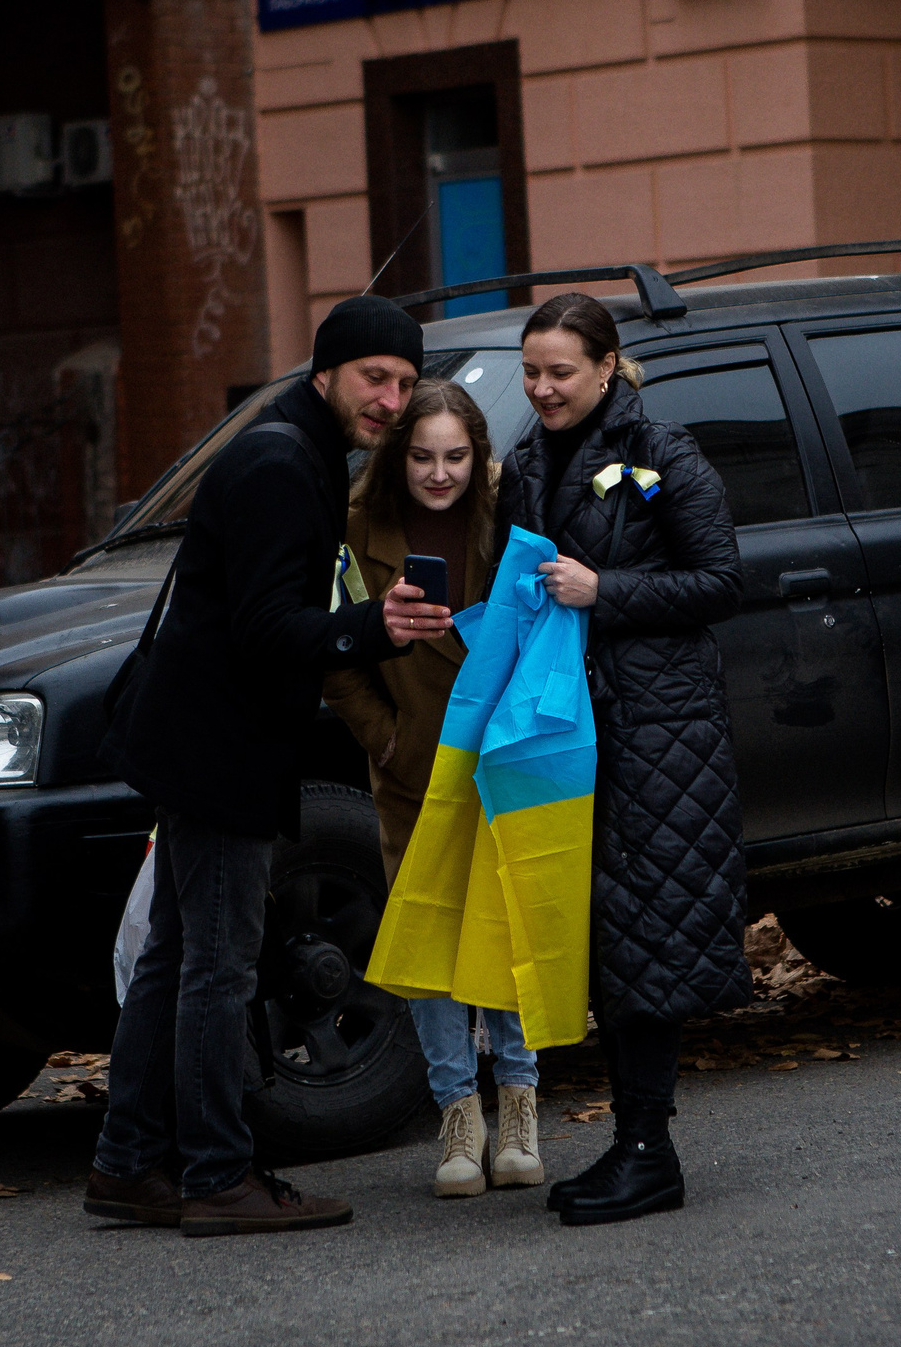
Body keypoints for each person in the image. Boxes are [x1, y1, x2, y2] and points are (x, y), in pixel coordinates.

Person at [85, 295, 435, 1237]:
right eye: (374, 377)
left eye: (403, 383)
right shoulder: (284, 461)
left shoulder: (291, 446)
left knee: (173, 956)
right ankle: (216, 1175)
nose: (390, 399)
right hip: (220, 747)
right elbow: (269, 629)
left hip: (201, 737)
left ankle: (127, 1164)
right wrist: (376, 625)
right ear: (325, 374)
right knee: (218, 966)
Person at [498, 292, 747, 1227]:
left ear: (607, 367)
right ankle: (635, 1145)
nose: (543, 388)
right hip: (566, 730)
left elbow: (723, 580)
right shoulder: (523, 462)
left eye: (561, 371)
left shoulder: (661, 455)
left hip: (657, 735)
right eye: (532, 371)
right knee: (604, 937)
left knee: (647, 936)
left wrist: (608, 590)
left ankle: (650, 1150)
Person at [322, 380, 547, 1198]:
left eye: (456, 456)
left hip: (503, 757)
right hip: (414, 763)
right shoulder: (355, 526)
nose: (439, 474)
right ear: (395, 455)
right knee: (430, 941)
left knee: (503, 927)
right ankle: (459, 1112)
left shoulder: (511, 516)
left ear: (478, 455)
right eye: (421, 456)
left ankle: (518, 1099)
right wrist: (383, 736)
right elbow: (334, 651)